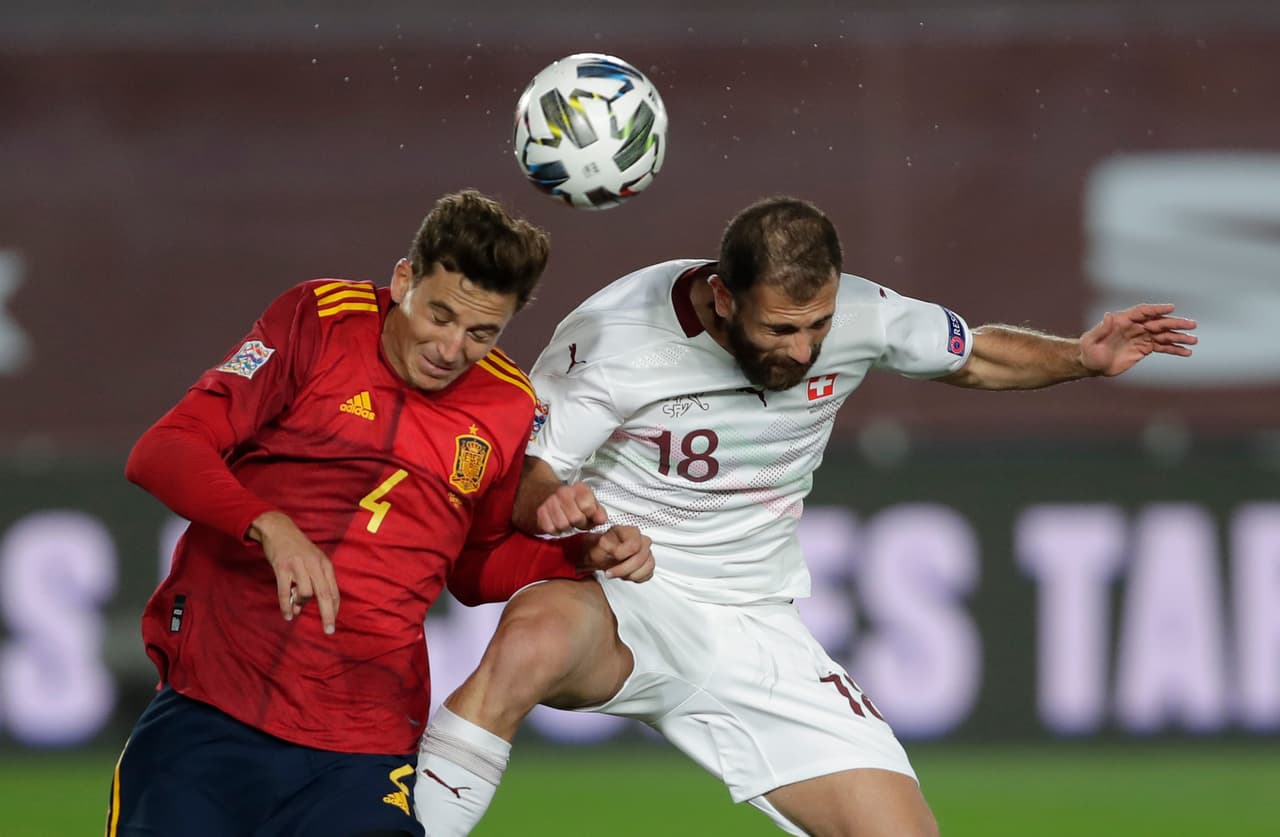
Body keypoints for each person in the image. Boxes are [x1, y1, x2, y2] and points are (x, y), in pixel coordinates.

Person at [411, 195, 1198, 836]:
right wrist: (566, 516)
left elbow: (975, 355)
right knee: (529, 644)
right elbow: (526, 476)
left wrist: (1083, 359)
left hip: (757, 622)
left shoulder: (859, 314)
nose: (804, 349)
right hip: (622, 597)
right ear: (722, 294)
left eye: (818, 324)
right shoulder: (619, 338)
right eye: (780, 329)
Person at [106, 189, 653, 837]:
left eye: (481, 332)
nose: (452, 348)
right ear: (403, 280)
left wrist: (578, 554)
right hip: (212, 710)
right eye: (441, 315)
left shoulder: (506, 405)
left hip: (362, 742)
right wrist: (269, 525)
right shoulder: (318, 320)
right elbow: (163, 451)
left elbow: (474, 569)